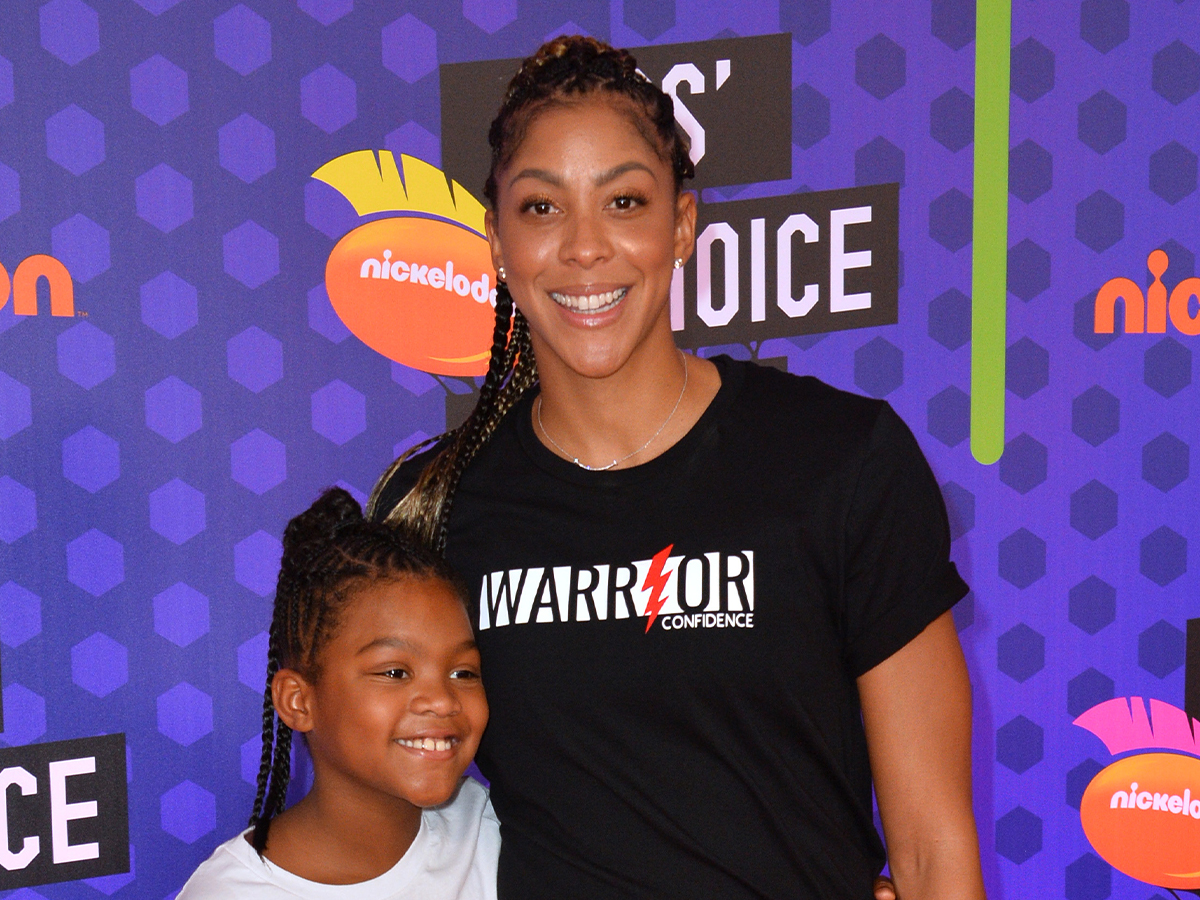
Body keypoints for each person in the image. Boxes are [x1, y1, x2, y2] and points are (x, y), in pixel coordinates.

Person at [370, 36, 985, 900]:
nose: (585, 248)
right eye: (542, 208)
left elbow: (931, 845)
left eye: (624, 201)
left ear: (683, 225)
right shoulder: (436, 507)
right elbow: (373, 795)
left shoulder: (840, 458)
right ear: (497, 242)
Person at [178, 488, 498, 899]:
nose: (442, 700)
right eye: (395, 672)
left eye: (463, 672)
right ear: (298, 701)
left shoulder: (494, 832)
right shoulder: (232, 892)